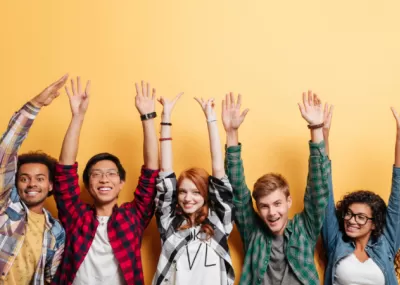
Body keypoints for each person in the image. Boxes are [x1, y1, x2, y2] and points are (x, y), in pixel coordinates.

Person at [52, 79, 159, 285]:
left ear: (121, 183)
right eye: (96, 174)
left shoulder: (133, 217)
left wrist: (147, 117)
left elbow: (152, 172)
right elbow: (64, 171)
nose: (104, 179)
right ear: (88, 183)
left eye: (111, 174)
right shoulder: (76, 216)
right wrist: (77, 117)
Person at [224, 91, 330, 285]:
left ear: (289, 201)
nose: (272, 212)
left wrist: (316, 128)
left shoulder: (304, 229)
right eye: (264, 206)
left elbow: (318, 190)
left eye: (277, 203)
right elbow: (237, 190)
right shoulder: (253, 231)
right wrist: (231, 134)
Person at [152, 93, 235, 285]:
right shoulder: (169, 223)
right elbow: (165, 172)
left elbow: (219, 171)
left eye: (196, 192)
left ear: (206, 195)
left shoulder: (218, 222)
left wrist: (211, 119)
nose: (188, 198)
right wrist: (166, 118)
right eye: (182, 191)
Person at [0, 74, 67, 284]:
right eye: (24, 178)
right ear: (15, 182)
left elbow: (50, 279)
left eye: (39, 179)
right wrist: (35, 106)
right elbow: (6, 153)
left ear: (50, 185)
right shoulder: (4, 206)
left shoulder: (55, 231)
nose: (31, 184)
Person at [322, 105, 400, 285]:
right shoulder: (336, 242)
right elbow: (324, 193)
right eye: (348, 214)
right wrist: (323, 135)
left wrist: (399, 135)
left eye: (361, 217)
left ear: (374, 224)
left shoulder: (386, 243)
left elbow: (398, 196)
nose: (351, 220)